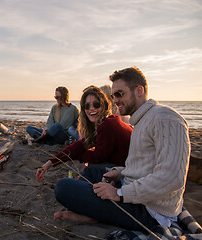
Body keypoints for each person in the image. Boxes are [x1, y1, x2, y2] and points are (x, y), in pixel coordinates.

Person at [53, 67, 190, 232]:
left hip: (150, 211)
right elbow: (145, 167)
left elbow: (171, 178)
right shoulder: (140, 121)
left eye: (120, 94)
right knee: (93, 171)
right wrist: (119, 173)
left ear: (139, 90)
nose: (115, 100)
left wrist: (119, 193)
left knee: (63, 187)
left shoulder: (165, 118)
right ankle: (91, 214)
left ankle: (92, 213)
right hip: (134, 191)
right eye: (113, 96)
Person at [36, 86, 132, 182]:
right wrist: (49, 163)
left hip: (129, 175)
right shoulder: (103, 123)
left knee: (64, 185)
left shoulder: (108, 124)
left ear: (104, 105)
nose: (91, 109)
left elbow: (98, 157)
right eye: (87, 106)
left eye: (96, 104)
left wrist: (77, 156)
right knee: (89, 168)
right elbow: (79, 146)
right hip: (122, 168)